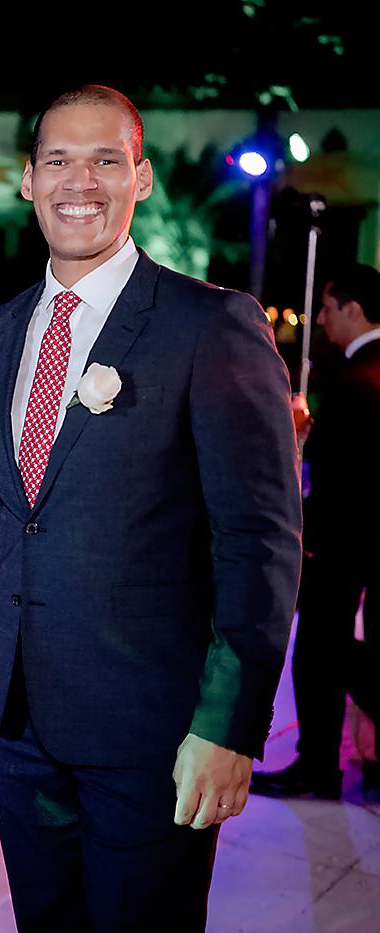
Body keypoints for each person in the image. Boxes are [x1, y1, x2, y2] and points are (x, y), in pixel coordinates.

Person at [0, 86, 302, 931]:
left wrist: (229, 726)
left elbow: (260, 537)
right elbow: (11, 518)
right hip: (18, 729)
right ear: (28, 181)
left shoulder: (209, 323)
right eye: (58, 160)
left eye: (105, 160)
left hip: (152, 732)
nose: (80, 180)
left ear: (140, 178)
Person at [252, 262, 380, 800]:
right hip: (356, 539)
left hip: (343, 540)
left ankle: (318, 766)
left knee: (321, 652)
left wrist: (298, 433)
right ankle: (319, 763)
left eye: (328, 309)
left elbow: (343, 473)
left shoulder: (358, 379)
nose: (321, 319)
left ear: (353, 309)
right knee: (325, 650)